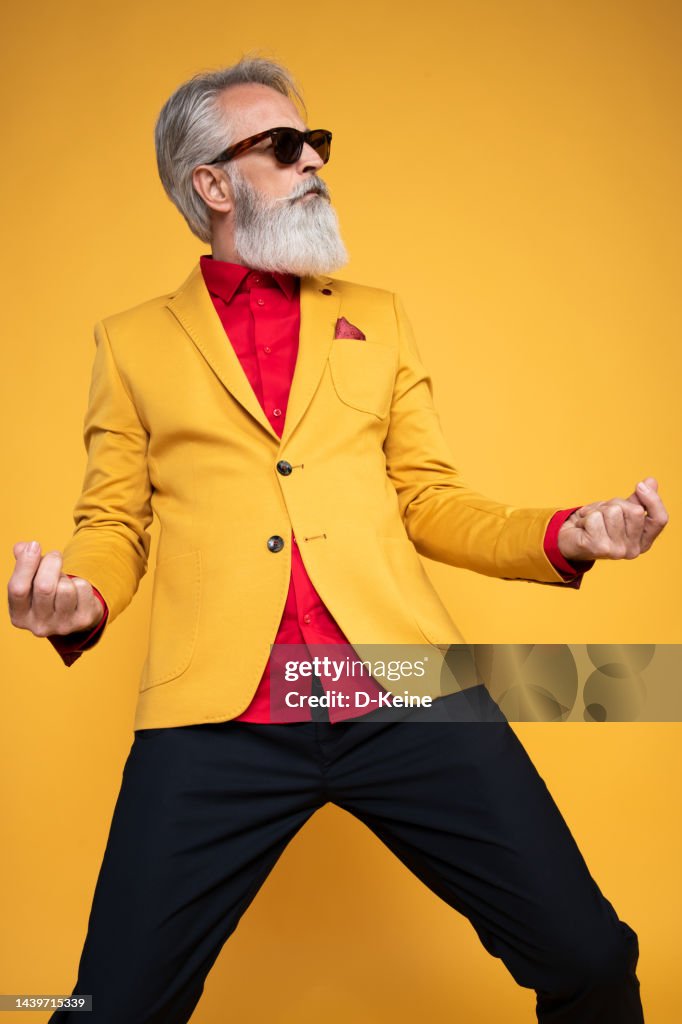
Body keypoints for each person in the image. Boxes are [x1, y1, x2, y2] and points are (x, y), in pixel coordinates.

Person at [8, 56, 667, 1023]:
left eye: (318, 143)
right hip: (219, 717)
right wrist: (85, 596)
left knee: (589, 952)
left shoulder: (379, 320)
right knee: (110, 1008)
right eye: (284, 146)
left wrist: (569, 533)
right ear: (213, 183)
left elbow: (432, 500)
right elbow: (113, 520)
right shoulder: (131, 343)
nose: (315, 159)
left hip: (403, 690)